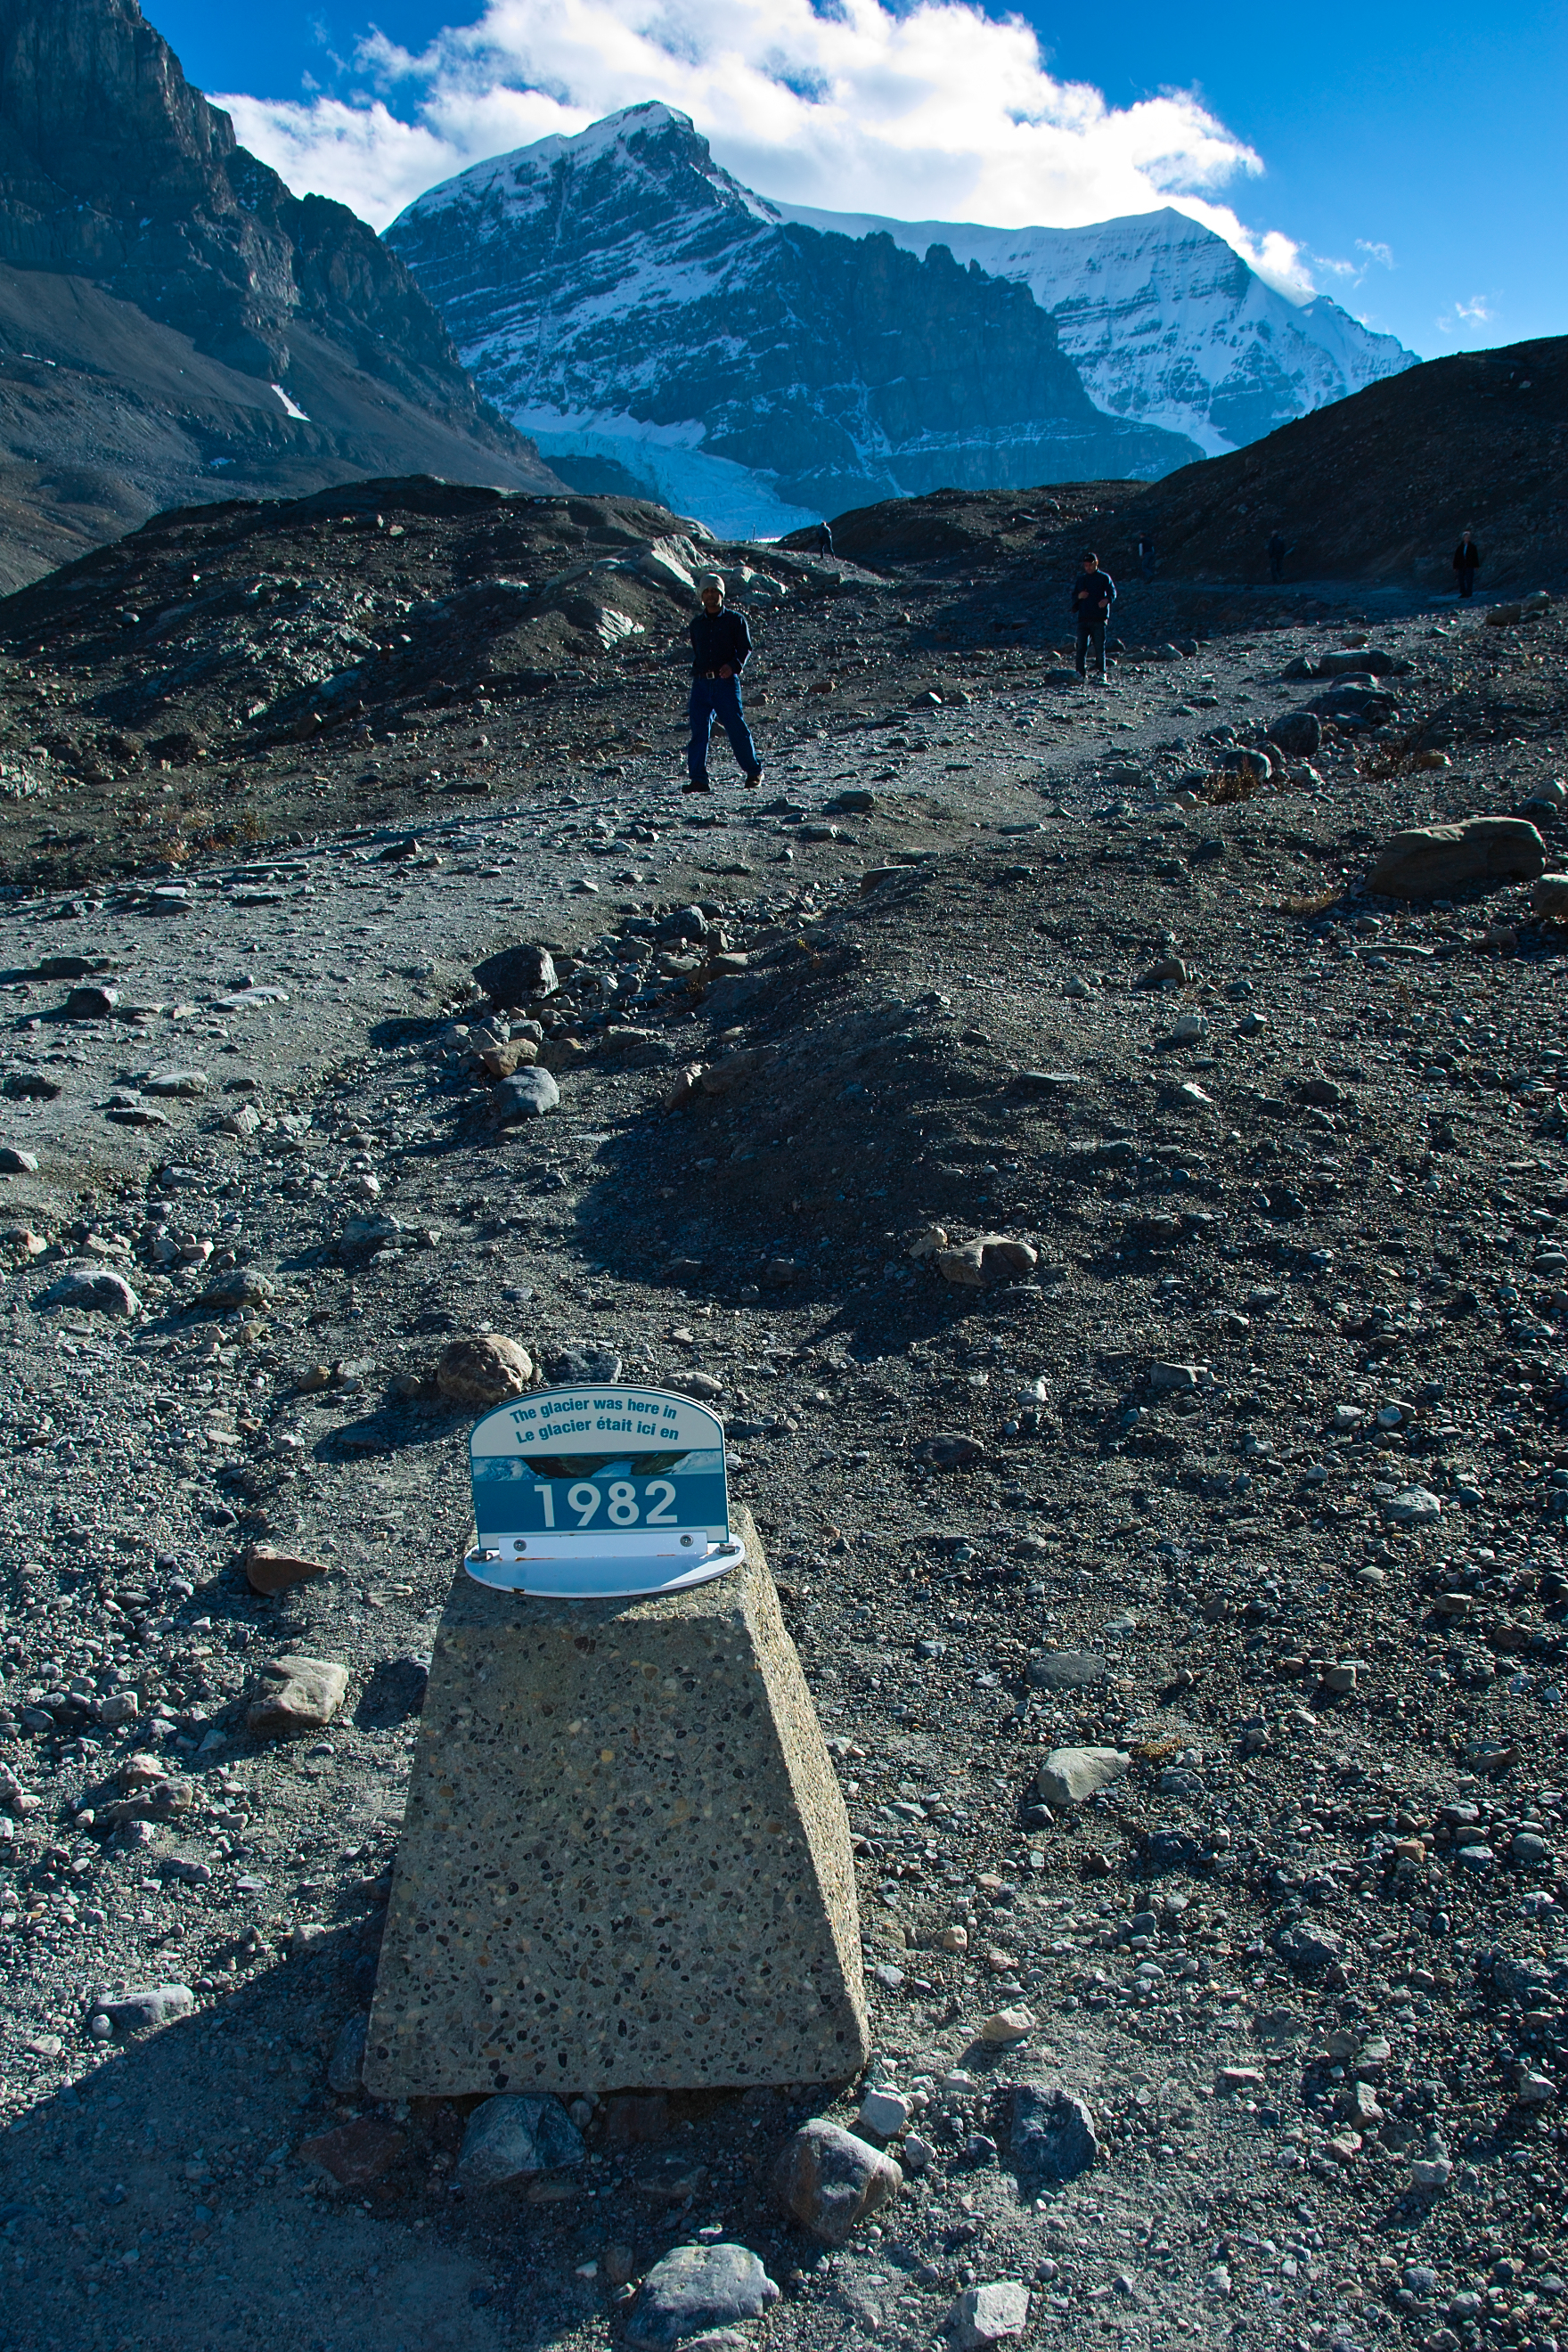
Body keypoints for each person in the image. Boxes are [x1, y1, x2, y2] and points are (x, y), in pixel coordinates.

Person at [684, 571, 763, 795]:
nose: (710, 595)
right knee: (699, 731)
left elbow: (745, 648)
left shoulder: (735, 620)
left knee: (735, 728)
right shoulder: (696, 624)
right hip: (701, 684)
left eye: (714, 591)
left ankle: (754, 772)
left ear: (721, 594)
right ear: (701, 595)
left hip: (725, 683)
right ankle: (698, 779)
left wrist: (734, 665)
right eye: (706, 591)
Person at [1070, 550, 1115, 681]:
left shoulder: (1104, 578)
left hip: (1099, 618)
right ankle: (1080, 673)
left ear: (1096, 563)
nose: (1088, 567)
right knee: (1081, 648)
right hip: (1083, 617)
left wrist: (1106, 600)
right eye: (1086, 565)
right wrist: (1079, 596)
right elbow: (1074, 596)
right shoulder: (1081, 580)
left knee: (1099, 647)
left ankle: (1102, 672)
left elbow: (1112, 593)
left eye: (1090, 565)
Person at [1453, 528, 1481, 599]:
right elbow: (1456, 557)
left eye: (1468, 537)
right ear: (1463, 538)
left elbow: (1475, 557)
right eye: (1466, 537)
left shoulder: (1472, 547)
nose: (1467, 538)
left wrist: (1476, 566)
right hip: (1461, 565)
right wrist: (1455, 566)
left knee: (1469, 579)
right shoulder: (1460, 547)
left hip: (1469, 565)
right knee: (1461, 580)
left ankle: (1469, 593)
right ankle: (1463, 593)